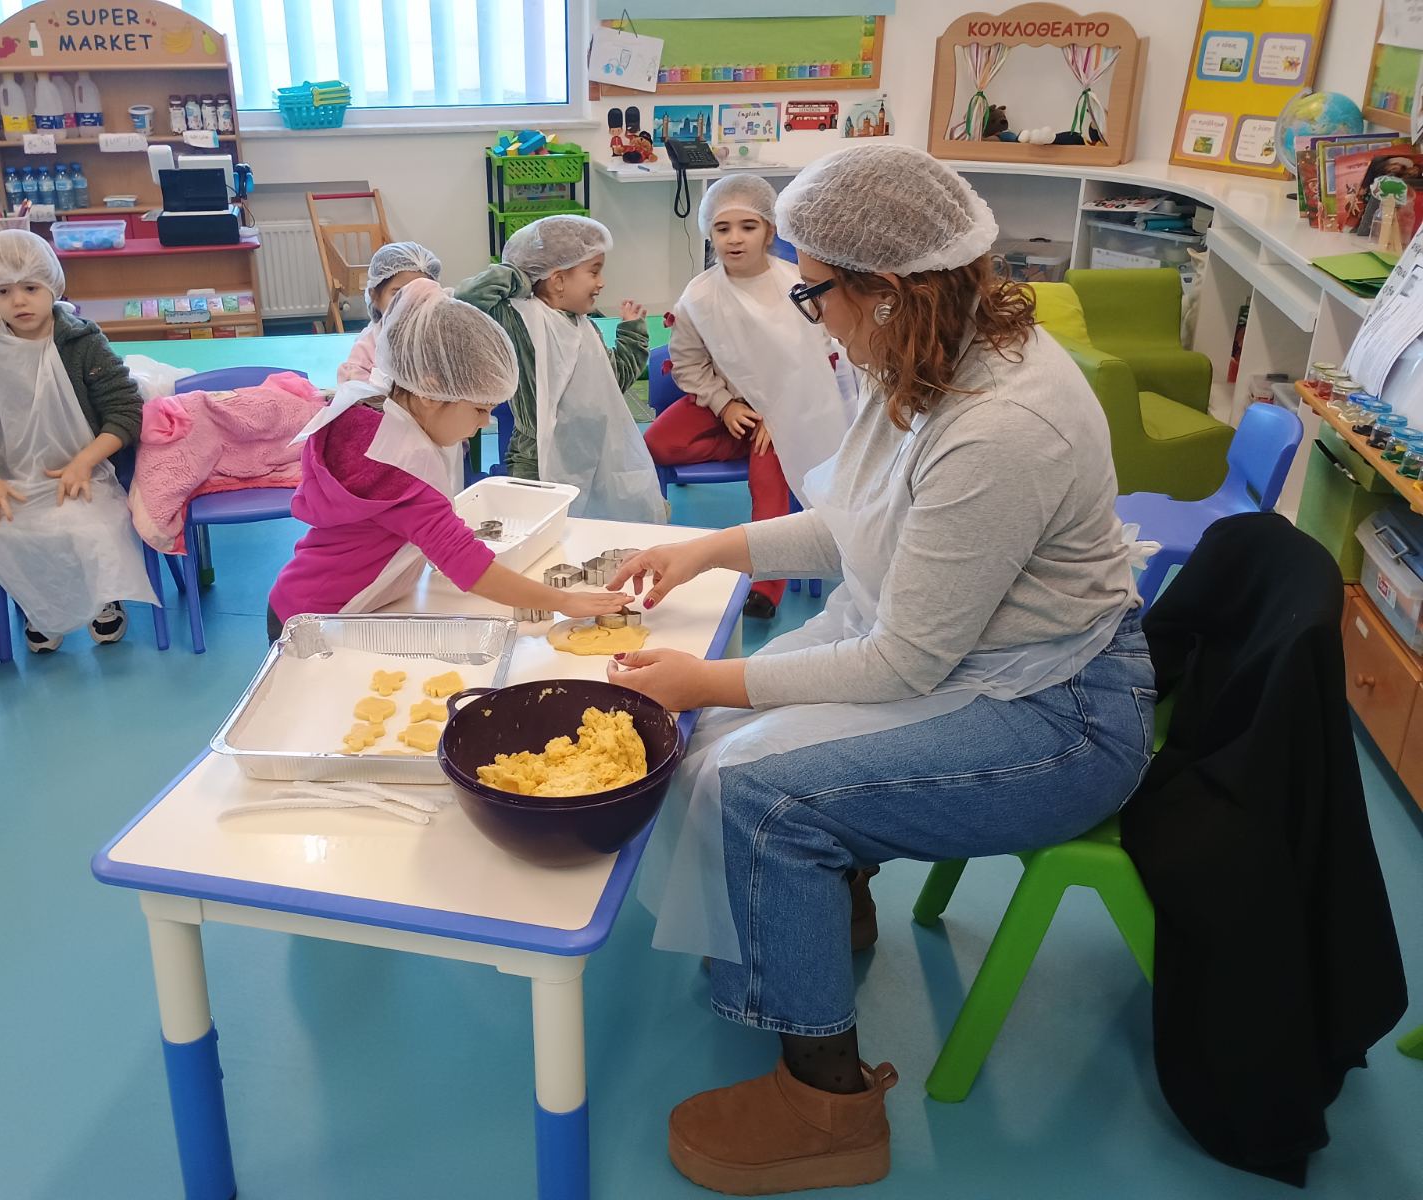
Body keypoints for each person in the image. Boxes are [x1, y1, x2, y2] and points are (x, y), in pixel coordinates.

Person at [603, 144, 1154, 1195]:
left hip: (1061, 715)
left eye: (815, 292)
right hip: (979, 657)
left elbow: (903, 659)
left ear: (889, 288)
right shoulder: (929, 355)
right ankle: (821, 910)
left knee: (760, 794)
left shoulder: (1002, 424)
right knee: (718, 743)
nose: (814, 316)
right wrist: (709, 550)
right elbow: (860, 521)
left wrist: (699, 679)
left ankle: (829, 1109)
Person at [269, 279, 629, 636]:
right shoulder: (399, 467)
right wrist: (564, 601)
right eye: (480, 409)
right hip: (312, 619)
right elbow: (468, 565)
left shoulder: (377, 416)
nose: (485, 423)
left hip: (316, 599)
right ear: (430, 392)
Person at [648, 175, 855, 619]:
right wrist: (726, 406)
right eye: (723, 228)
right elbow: (688, 364)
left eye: (748, 226)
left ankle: (766, 585)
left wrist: (778, 420)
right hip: (728, 403)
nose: (735, 239)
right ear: (709, 233)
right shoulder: (699, 296)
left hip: (789, 411)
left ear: (770, 231)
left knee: (769, 482)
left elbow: (819, 363)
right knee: (657, 444)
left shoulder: (799, 285)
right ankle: (742, 439)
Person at [0, 229, 156, 652]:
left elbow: (125, 411)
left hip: (85, 467)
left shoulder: (82, 342)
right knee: (12, 530)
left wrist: (83, 462)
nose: (18, 301)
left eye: (30, 288)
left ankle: (104, 597)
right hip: (10, 478)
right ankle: (40, 607)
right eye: (3, 291)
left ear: (52, 286)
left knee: (88, 525)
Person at [457, 215, 666, 522]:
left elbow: (613, 381)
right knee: (539, 529)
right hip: (535, 462)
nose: (602, 282)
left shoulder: (585, 328)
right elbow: (466, 300)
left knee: (596, 531)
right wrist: (522, 274)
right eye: (594, 271)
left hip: (594, 454)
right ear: (557, 280)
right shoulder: (521, 319)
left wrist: (631, 334)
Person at [337, 240, 444, 385]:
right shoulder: (368, 348)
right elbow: (353, 388)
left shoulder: (439, 336)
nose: (409, 303)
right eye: (398, 293)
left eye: (421, 294)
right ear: (375, 296)